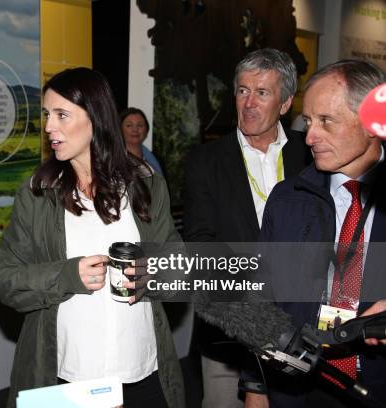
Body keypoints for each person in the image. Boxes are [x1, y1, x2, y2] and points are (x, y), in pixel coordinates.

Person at [0, 68, 184, 408]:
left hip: (142, 375)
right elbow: (6, 280)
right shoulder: (38, 194)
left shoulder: (145, 183)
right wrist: (67, 275)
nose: (50, 127)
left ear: (95, 116)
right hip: (67, 379)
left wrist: (151, 273)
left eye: (62, 115)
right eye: (47, 115)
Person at [250, 60, 386, 407]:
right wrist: (255, 387)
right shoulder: (287, 199)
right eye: (308, 121)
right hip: (297, 391)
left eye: (326, 121)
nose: (310, 137)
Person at [183, 48, 312, 408]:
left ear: (285, 103)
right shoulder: (205, 161)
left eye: (262, 93)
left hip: (300, 324)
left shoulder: (311, 156)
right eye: (242, 91)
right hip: (230, 330)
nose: (249, 103)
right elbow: (200, 242)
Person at [120, 107, 164, 175]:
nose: (135, 129)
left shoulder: (157, 162)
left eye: (140, 125)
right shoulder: (112, 161)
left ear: (146, 131)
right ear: (120, 130)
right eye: (129, 125)